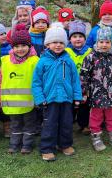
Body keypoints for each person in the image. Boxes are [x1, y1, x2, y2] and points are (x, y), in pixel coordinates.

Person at [31, 24, 83, 162]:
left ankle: (64, 145)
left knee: (66, 123)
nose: (58, 45)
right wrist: (40, 98)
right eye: (54, 42)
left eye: (61, 42)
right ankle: (47, 148)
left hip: (66, 99)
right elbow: (36, 83)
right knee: (50, 124)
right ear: (48, 44)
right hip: (50, 99)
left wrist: (77, 96)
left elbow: (75, 80)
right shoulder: (42, 62)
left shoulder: (68, 60)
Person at [81, 26, 112, 151]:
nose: (104, 45)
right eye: (101, 42)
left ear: (111, 42)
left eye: (107, 42)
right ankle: (96, 137)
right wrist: (84, 92)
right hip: (96, 94)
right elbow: (84, 75)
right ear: (97, 42)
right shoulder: (90, 57)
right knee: (96, 117)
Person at [0, 24, 39, 154]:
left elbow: (39, 81)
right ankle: (14, 144)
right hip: (12, 102)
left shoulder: (35, 61)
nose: (20, 49)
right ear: (12, 47)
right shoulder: (6, 61)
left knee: (29, 124)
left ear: (29, 46)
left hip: (29, 101)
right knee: (15, 124)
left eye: (23, 45)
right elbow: (0, 81)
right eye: (16, 46)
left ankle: (27, 145)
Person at [65, 20, 92, 134]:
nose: (77, 39)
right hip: (70, 84)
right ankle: (68, 124)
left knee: (84, 107)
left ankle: (84, 125)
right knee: (69, 107)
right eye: (74, 36)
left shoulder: (90, 51)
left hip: (85, 84)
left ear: (85, 39)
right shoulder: (66, 51)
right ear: (70, 39)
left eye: (80, 36)